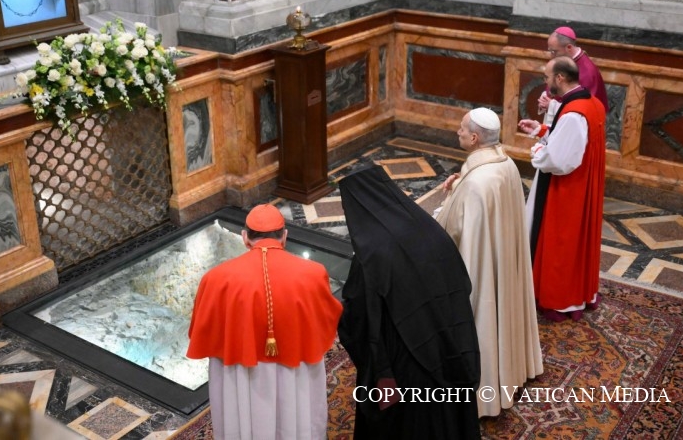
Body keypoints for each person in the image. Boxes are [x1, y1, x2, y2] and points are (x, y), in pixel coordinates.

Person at [338, 165, 481, 439]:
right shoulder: (428, 226)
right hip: (449, 343)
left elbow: (358, 319)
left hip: (405, 362)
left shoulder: (371, 255)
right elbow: (461, 283)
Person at [187, 204, 342, 439]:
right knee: (296, 415)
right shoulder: (313, 273)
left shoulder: (215, 279)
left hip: (239, 370)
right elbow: (327, 320)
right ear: (285, 236)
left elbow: (201, 329)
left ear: (245, 237)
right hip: (294, 369)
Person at [435, 107, 543, 418]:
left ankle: (484, 391)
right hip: (503, 257)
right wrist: (459, 185)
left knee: (483, 313)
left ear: (474, 138)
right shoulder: (505, 164)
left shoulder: (476, 183)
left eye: (462, 128)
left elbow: (453, 230)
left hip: (479, 266)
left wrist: (446, 203)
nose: (457, 131)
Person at [519, 56, 606, 322]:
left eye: (547, 77)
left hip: (566, 189)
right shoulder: (592, 104)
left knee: (560, 242)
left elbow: (558, 160)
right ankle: (578, 291)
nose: (545, 82)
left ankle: (558, 298)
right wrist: (542, 130)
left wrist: (537, 149)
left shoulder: (574, 113)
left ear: (560, 78)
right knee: (577, 242)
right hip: (584, 184)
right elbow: (573, 141)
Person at [538, 26, 609, 125]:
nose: (551, 56)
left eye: (554, 52)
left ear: (569, 48)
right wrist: (545, 98)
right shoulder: (562, 61)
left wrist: (552, 106)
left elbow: (582, 110)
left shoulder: (588, 73)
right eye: (550, 51)